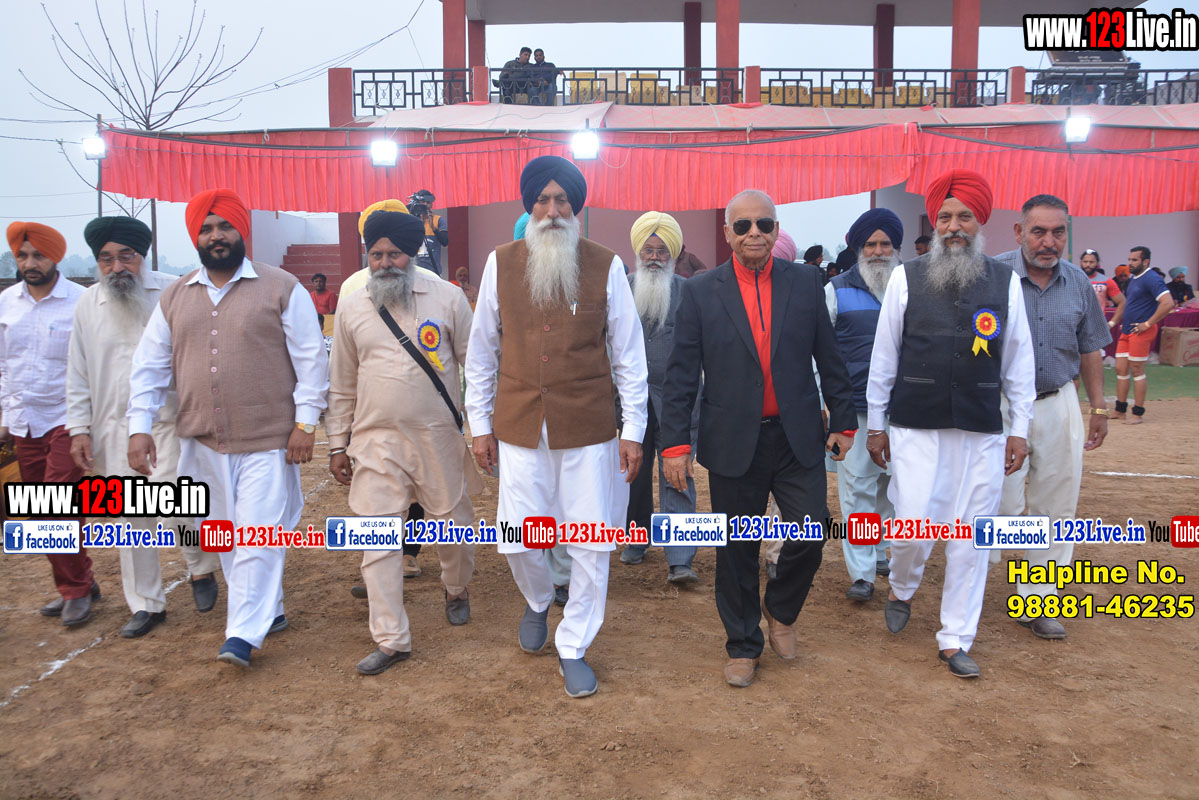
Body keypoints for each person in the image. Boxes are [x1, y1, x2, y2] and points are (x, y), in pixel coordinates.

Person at [465, 155, 648, 698]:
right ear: (530, 207)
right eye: (542, 201)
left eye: (561, 200)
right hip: (520, 426)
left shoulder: (605, 264)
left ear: (575, 208)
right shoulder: (501, 263)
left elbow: (629, 356)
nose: (551, 211)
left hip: (589, 428)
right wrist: (479, 425)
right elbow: (481, 352)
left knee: (590, 541)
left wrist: (633, 430)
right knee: (520, 537)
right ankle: (540, 598)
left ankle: (574, 644)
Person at [660, 189, 857, 688]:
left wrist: (844, 420)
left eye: (764, 225)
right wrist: (675, 445)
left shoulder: (806, 282)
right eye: (743, 225)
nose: (754, 234)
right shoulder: (700, 292)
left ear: (776, 230)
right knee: (737, 550)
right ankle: (743, 644)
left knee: (811, 531)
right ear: (727, 232)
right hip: (732, 440)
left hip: (797, 437)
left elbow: (829, 356)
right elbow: (681, 376)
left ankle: (781, 610)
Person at [128, 188, 329, 668]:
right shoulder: (175, 296)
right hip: (202, 441)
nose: (216, 236)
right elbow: (149, 367)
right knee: (224, 534)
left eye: (224, 226)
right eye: (206, 229)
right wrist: (139, 426)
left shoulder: (282, 287)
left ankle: (241, 633)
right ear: (195, 237)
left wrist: (305, 423)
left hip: (268, 440)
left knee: (258, 533)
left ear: (242, 230)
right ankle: (269, 610)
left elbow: (311, 360)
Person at [866, 169, 1035, 678]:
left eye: (963, 216)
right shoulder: (906, 277)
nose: (953, 226)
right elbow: (884, 357)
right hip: (915, 427)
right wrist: (876, 424)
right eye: (944, 217)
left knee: (971, 537)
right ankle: (902, 586)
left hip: (980, 430)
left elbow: (1018, 362)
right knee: (913, 526)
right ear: (934, 223)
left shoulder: (1005, 282)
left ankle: (955, 637)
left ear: (980, 221)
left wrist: (1020, 429)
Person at [328, 210, 480, 675]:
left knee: (455, 527)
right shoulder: (352, 305)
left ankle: (456, 588)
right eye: (376, 254)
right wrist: (336, 443)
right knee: (378, 539)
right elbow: (342, 382)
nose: (385, 263)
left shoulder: (447, 297)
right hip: (375, 441)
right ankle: (391, 638)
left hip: (437, 438)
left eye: (394, 254)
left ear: (412, 253)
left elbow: (477, 367)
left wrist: (481, 428)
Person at [68, 216, 222, 638]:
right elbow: (77, 371)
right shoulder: (87, 304)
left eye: (126, 256)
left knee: (181, 504)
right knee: (129, 519)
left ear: (143, 256)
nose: (117, 267)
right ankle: (146, 604)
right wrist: (78, 427)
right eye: (107, 259)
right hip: (112, 428)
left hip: (171, 422)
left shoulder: (176, 291)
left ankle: (201, 566)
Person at [994, 195, 1111, 640]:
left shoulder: (1078, 281)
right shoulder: (993, 275)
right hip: (1001, 407)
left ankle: (1038, 597)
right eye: (1039, 231)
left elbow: (1091, 347)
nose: (1049, 242)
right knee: (1002, 502)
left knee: (1058, 504)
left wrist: (1098, 407)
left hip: (1058, 401)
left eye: (1058, 232)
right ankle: (994, 572)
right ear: (1019, 232)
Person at [1, 222, 96, 626]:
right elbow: (5, 365)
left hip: (67, 418)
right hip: (24, 420)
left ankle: (75, 590)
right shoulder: (7, 303)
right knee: (39, 512)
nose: (30, 263)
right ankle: (80, 580)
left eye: (38, 255)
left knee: (55, 506)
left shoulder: (82, 302)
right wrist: (5, 416)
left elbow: (92, 364)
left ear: (55, 257)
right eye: (22, 256)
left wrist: (86, 423)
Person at [824, 209, 904, 603]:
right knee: (858, 487)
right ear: (858, 249)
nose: (877, 251)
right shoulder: (836, 289)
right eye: (870, 245)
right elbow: (820, 351)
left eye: (885, 244)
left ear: (895, 248)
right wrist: (826, 401)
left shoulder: (910, 288)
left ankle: (881, 550)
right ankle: (862, 573)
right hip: (854, 407)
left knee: (893, 485)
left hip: (903, 409)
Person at [619, 212, 700, 584]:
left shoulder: (689, 292)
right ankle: (636, 539)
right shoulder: (621, 288)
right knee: (633, 473)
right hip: (631, 400)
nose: (654, 257)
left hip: (678, 401)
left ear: (675, 254)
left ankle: (680, 559)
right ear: (638, 251)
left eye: (662, 251)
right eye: (648, 250)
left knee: (677, 473)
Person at [1113, 246, 1174, 424]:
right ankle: (1120, 410)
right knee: (1120, 368)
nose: (1130, 263)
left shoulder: (1152, 278)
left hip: (1141, 331)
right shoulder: (1134, 278)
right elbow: (1132, 303)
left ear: (1145, 261)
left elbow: (1168, 302)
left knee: (1137, 370)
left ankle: (1137, 413)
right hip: (1128, 330)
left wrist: (1147, 324)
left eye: (1134, 260)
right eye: (1129, 259)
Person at [1079, 249, 1125, 332]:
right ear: (1081, 262)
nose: (1088, 265)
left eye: (1091, 262)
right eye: (1085, 262)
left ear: (1097, 263)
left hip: (1097, 326)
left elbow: (1123, 302)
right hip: (1077, 325)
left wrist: (1111, 323)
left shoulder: (1106, 281)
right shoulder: (1074, 279)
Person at [408, 190, 449, 278]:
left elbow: (445, 242)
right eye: (423, 202)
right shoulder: (411, 222)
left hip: (433, 272)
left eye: (428, 202)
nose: (426, 205)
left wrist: (433, 228)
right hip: (416, 273)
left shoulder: (438, 220)